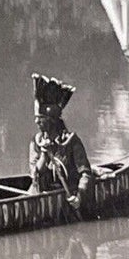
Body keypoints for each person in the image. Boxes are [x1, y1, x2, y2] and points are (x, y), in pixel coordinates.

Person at [27, 74, 93, 213]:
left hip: (69, 195)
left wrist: (79, 197)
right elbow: (35, 175)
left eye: (41, 119)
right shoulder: (36, 142)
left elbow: (86, 173)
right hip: (41, 196)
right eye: (36, 118)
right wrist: (44, 155)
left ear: (52, 121)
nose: (36, 122)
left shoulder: (71, 142)